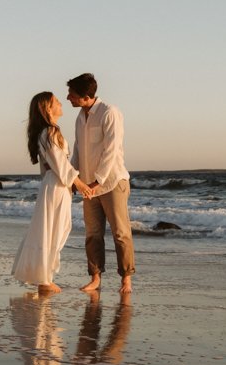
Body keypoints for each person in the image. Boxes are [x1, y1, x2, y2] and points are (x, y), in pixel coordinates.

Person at [12, 92, 95, 294]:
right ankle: (44, 279)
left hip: (55, 184)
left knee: (54, 228)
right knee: (54, 229)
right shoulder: (49, 132)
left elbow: (57, 165)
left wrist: (72, 182)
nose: (61, 103)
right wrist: (81, 184)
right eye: (56, 101)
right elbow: (60, 164)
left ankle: (44, 276)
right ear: (48, 108)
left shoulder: (47, 132)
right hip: (56, 184)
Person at [66, 73, 135, 294]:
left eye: (72, 94)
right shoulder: (79, 117)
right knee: (92, 233)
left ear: (86, 96)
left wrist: (99, 180)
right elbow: (77, 149)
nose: (68, 98)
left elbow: (111, 150)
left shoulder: (109, 112)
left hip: (113, 182)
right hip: (88, 185)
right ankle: (96, 278)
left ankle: (126, 279)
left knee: (120, 233)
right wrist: (72, 178)